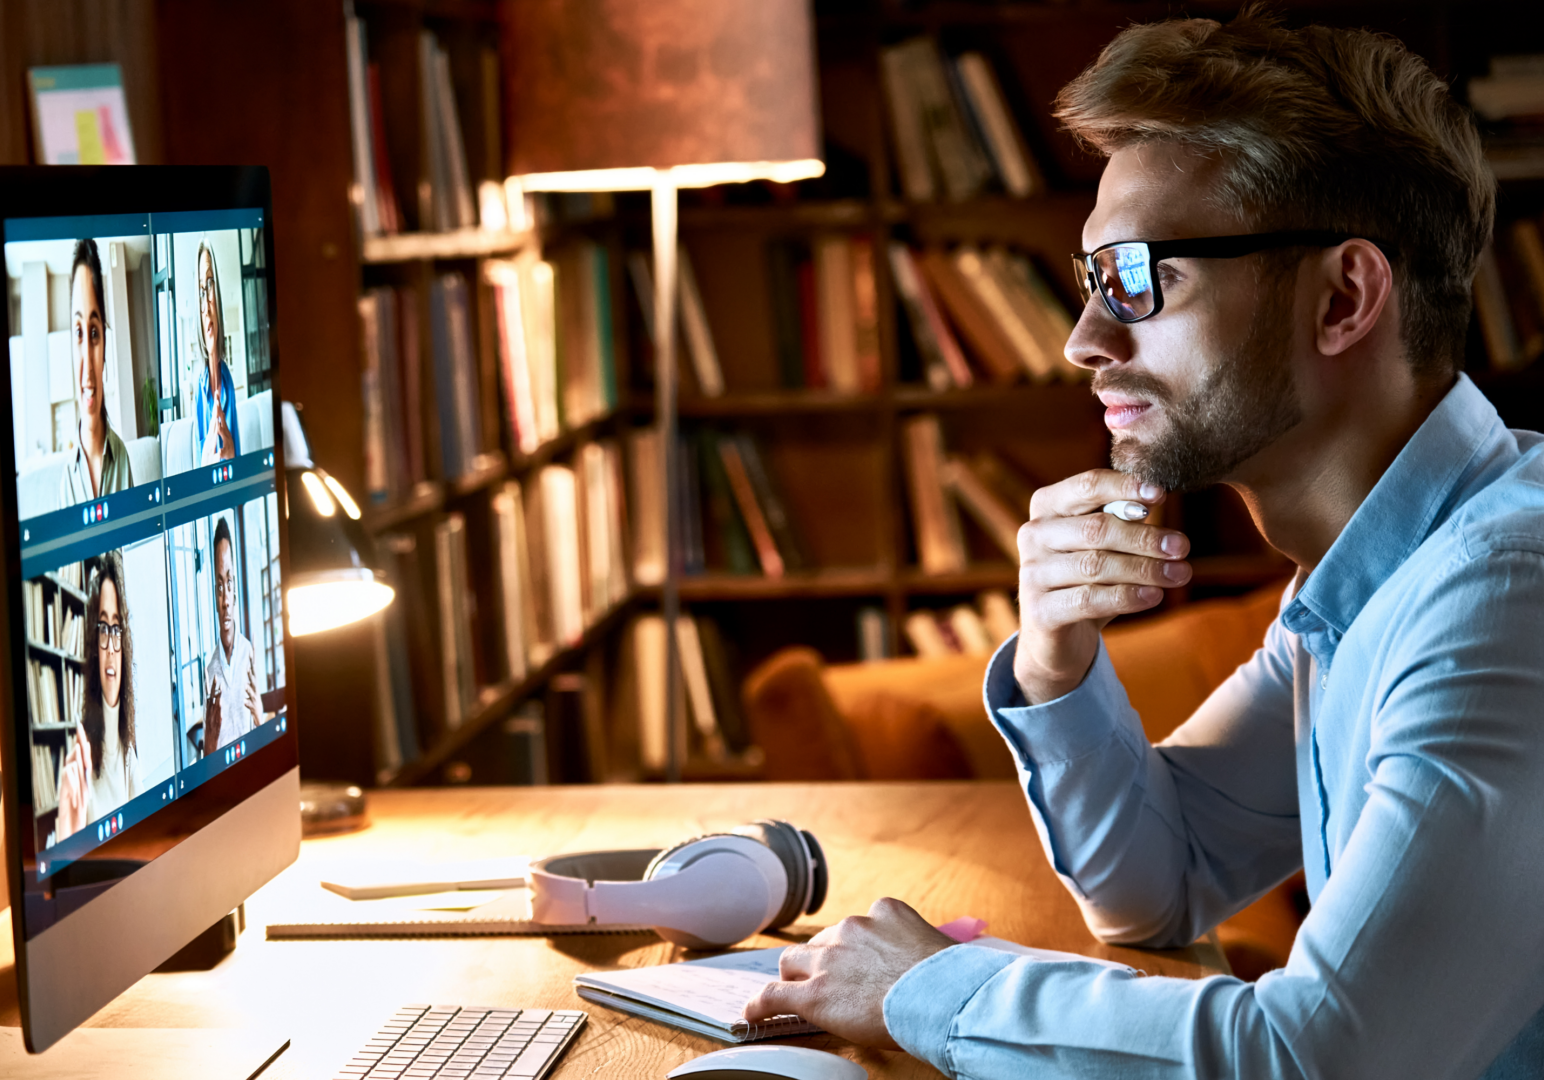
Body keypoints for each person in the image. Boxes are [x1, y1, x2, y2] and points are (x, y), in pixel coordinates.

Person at [744, 11, 1544, 1079]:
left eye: (1134, 276)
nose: (1082, 342)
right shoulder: (1363, 581)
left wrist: (918, 989)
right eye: (1088, 282)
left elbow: (1323, 1061)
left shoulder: (1499, 597)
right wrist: (1051, 659)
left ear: (1342, 297)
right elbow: (1156, 886)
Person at [55, 552, 138, 840]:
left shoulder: (128, 755)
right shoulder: (81, 757)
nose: (112, 647)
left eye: (116, 629)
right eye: (103, 628)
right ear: (92, 643)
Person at [60, 238, 134, 506]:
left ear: (105, 344)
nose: (88, 367)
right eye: (78, 332)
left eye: (94, 333)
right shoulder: (65, 483)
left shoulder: (123, 459)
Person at [201, 515, 260, 753]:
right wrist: (210, 741)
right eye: (219, 587)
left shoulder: (249, 654)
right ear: (215, 597)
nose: (225, 600)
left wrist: (260, 718)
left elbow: (262, 738)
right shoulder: (209, 673)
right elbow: (208, 759)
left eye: (229, 583)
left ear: (235, 590)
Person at [193, 240, 240, 464]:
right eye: (201, 292)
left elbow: (241, 497)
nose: (206, 306)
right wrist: (206, 461)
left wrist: (231, 456)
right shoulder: (199, 391)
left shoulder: (228, 381)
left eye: (210, 285)